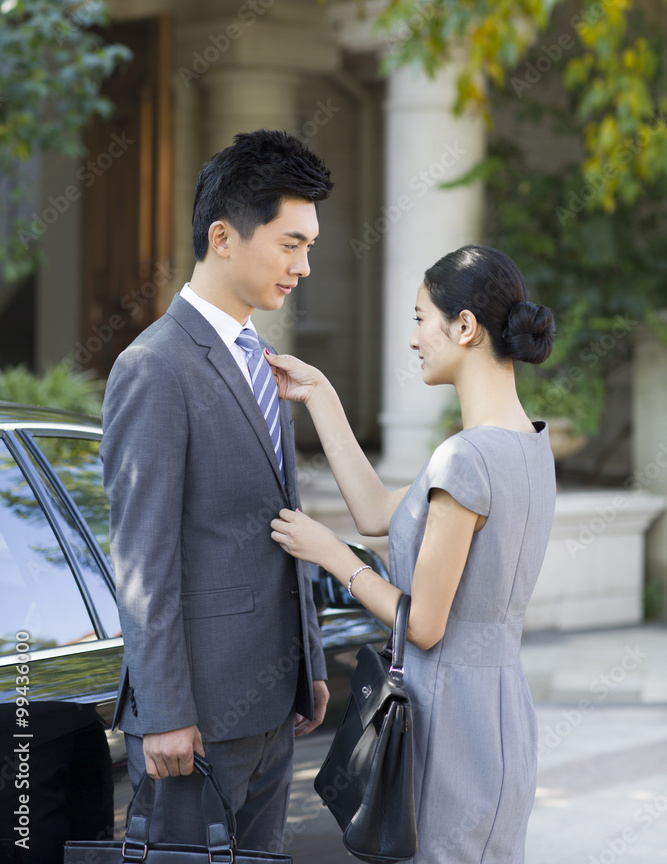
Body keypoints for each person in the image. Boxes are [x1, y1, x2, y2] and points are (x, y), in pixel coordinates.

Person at [268, 243, 557, 864]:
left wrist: (332, 557)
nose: (413, 338)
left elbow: (423, 625)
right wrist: (319, 393)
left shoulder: (466, 459)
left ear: (465, 327)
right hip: (502, 712)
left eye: (421, 317)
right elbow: (377, 511)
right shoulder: (530, 447)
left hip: (449, 720)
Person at [101, 129, 333, 851]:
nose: (302, 266)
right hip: (192, 723)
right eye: (289, 244)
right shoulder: (154, 367)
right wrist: (167, 710)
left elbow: (281, 521)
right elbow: (144, 554)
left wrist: (310, 664)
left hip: (273, 709)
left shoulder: (262, 360)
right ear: (224, 236)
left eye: (310, 248)